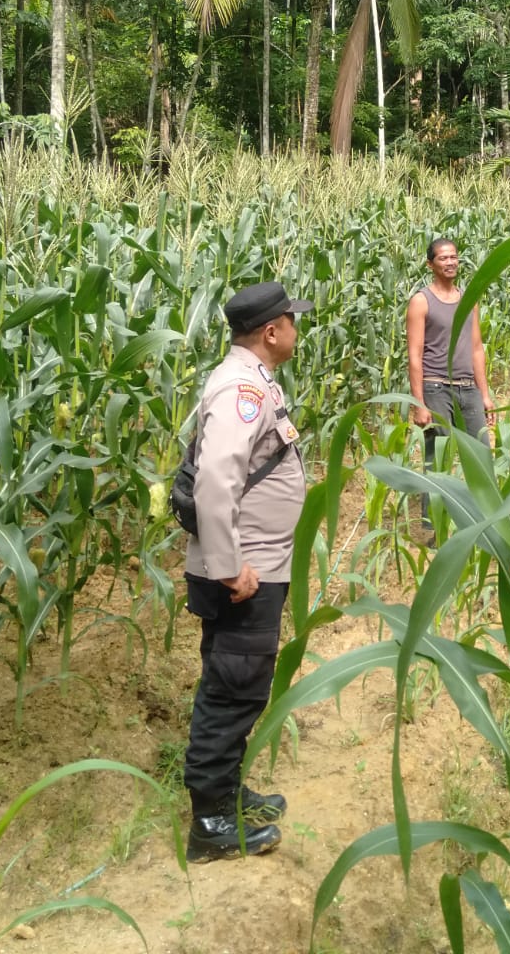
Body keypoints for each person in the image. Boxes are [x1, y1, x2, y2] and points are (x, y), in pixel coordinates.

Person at [183, 280, 313, 862]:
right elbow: (215, 480)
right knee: (234, 686)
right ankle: (209, 822)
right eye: (291, 320)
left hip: (256, 563)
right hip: (246, 572)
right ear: (270, 332)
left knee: (241, 681)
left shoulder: (251, 380)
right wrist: (231, 568)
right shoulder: (242, 388)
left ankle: (227, 791)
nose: (295, 328)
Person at [406, 238, 493, 533]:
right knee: (438, 456)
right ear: (430, 264)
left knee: (481, 454)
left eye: (454, 257)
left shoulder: (469, 298)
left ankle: (485, 522)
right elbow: (415, 356)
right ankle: (434, 529)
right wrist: (419, 404)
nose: (450, 262)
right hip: (435, 387)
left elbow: (477, 348)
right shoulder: (421, 301)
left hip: (467, 386)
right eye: (443, 258)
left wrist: (485, 394)